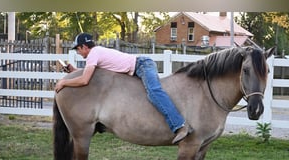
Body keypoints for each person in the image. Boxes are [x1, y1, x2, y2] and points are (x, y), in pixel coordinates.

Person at [55, 33, 193, 144]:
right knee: (152, 93)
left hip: (142, 65)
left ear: (84, 46)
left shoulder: (93, 54)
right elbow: (90, 74)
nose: (78, 52)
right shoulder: (96, 53)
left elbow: (84, 80)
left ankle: (180, 126)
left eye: (78, 49)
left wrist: (64, 83)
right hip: (139, 67)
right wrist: (74, 70)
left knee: (154, 92)